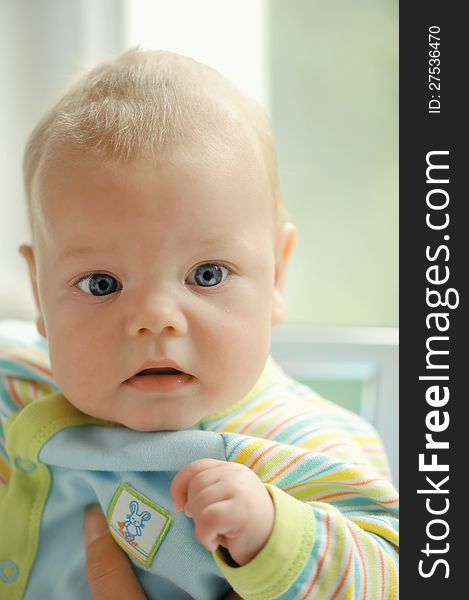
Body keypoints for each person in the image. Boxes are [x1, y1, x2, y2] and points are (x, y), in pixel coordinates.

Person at [0, 48, 398, 599]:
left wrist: (274, 538)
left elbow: (394, 569)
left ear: (277, 275)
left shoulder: (295, 443)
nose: (155, 320)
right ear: (41, 294)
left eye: (207, 274)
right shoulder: (20, 387)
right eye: (101, 284)